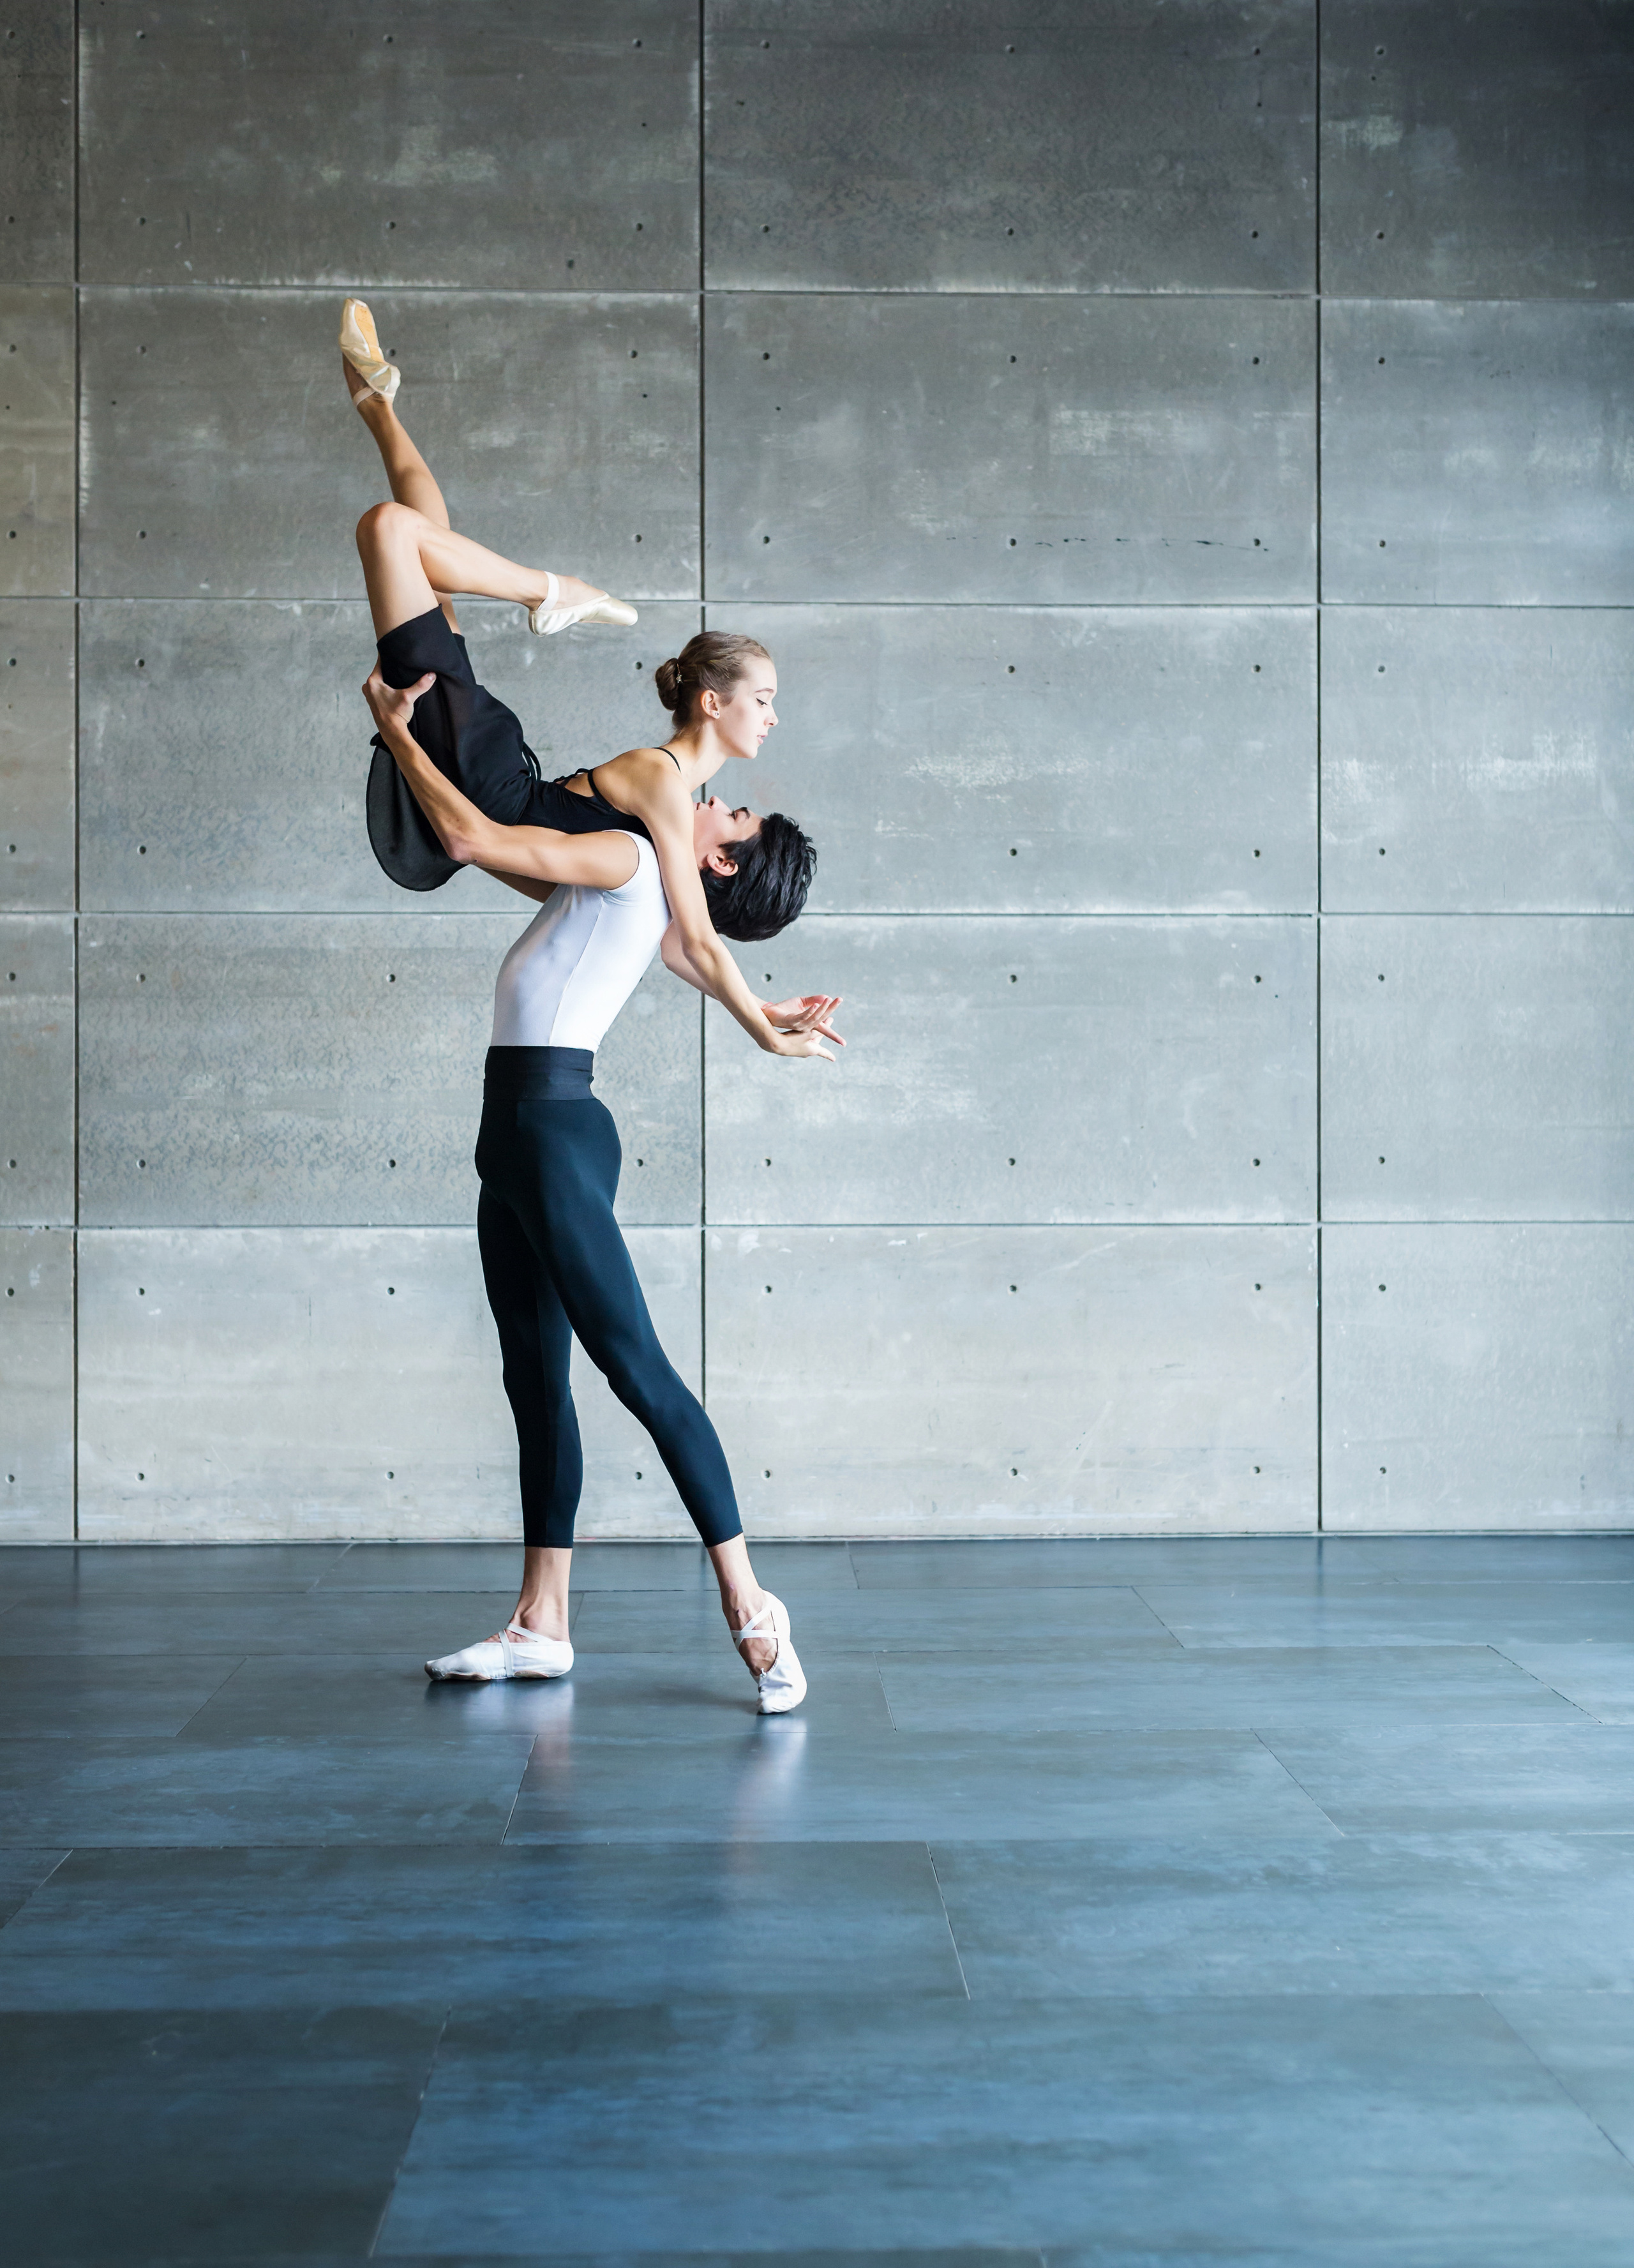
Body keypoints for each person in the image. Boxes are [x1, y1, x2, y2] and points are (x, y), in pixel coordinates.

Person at [343, 301, 841, 1712]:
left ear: (720, 849)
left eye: (735, 808)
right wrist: (756, 1014)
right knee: (532, 1375)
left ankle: (753, 1608)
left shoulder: (646, 841)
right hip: (523, 1122)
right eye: (754, 736)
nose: (742, 770)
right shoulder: (648, 832)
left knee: (634, 1372)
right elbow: (681, 947)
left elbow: (494, 856)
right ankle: (540, 1619)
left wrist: (758, 1025)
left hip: (553, 1124)